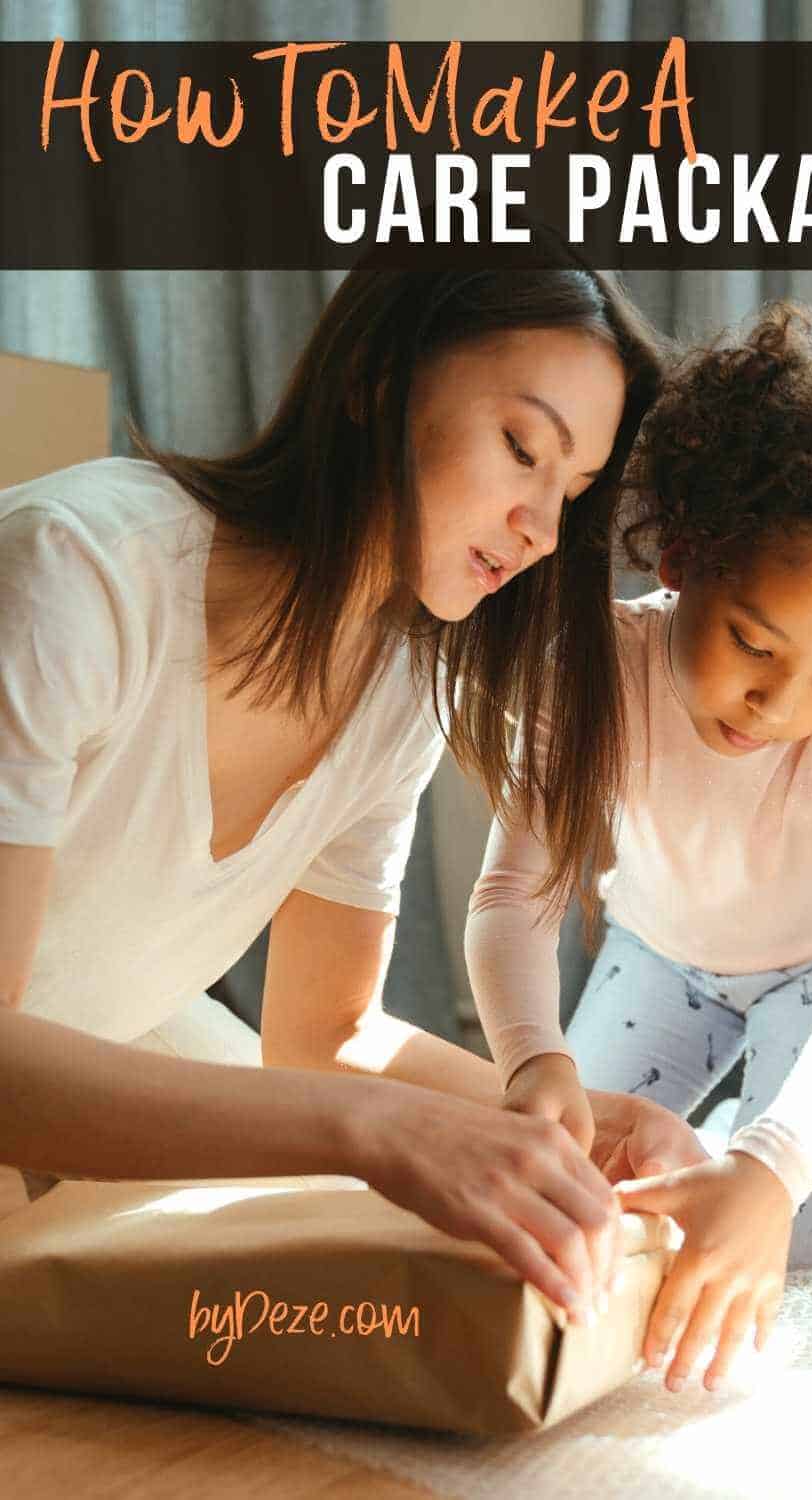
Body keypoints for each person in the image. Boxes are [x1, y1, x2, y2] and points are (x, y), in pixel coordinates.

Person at [0, 254, 706, 1323]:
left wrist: (558, 1112)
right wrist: (370, 1130)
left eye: (569, 490)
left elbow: (324, 1035)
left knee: (328, 1241)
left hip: (98, 1030)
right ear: (374, 379)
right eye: (522, 448)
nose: (543, 528)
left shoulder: (399, 683)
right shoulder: (77, 570)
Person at [466, 304, 812, 1382]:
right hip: (659, 956)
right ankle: (745, 1139)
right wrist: (531, 1064)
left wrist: (776, 1161)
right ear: (685, 554)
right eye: (753, 642)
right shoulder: (597, 668)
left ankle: (802, 1149)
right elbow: (512, 894)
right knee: (584, 1181)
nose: (778, 702)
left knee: (786, 1239)